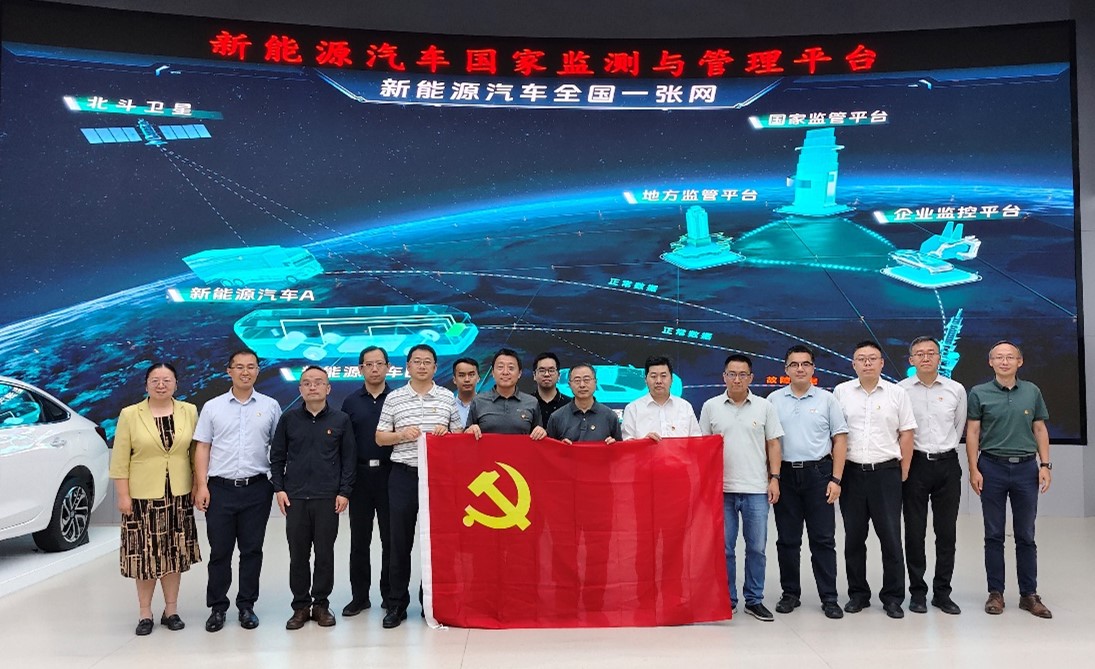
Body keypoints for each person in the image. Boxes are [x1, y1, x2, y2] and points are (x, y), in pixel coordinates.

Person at [193, 348, 282, 632]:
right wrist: (201, 485)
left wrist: (277, 483)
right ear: (229, 371)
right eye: (239, 367)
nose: (246, 372)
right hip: (219, 489)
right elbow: (202, 447)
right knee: (220, 551)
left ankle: (246, 606)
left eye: (251, 366)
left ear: (258, 370)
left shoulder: (270, 406)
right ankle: (218, 608)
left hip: (257, 488)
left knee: (252, 550)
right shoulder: (213, 407)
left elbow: (279, 448)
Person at [109, 362, 201, 636]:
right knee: (144, 557)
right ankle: (145, 613)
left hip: (178, 496)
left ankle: (171, 610)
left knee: (174, 554)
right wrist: (123, 495)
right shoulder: (130, 414)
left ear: (176, 384)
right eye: (155, 380)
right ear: (146, 384)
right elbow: (120, 459)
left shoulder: (189, 411)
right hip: (142, 499)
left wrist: (198, 485)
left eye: (167, 380)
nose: (161, 385)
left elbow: (195, 453)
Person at [375, 343, 463, 628]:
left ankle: (432, 602)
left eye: (427, 362)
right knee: (399, 542)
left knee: (435, 542)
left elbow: (459, 435)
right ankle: (396, 604)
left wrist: (447, 434)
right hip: (403, 476)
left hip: (437, 478)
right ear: (408, 366)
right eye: (417, 361)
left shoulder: (447, 397)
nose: (422, 366)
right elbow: (380, 437)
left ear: (436, 367)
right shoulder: (395, 398)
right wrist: (401, 435)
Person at [967, 340, 1053, 618]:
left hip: (1026, 469)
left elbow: (1039, 429)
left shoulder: (1032, 391)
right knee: (993, 534)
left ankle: (1029, 594)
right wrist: (973, 468)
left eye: (1010, 357)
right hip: (991, 467)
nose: (1004, 361)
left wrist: (1045, 465)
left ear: (1020, 361)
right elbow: (972, 432)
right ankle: (996, 593)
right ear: (990, 362)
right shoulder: (978, 393)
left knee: (1026, 534)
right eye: (999, 357)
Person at [833, 340, 916, 619]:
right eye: (861, 358)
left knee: (890, 537)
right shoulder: (841, 392)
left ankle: (892, 597)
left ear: (881, 363)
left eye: (872, 358)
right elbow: (835, 435)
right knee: (854, 538)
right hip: (852, 474)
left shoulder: (897, 393)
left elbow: (907, 433)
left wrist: (903, 470)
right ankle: (858, 594)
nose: (867, 363)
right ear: (853, 364)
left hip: (886, 472)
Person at [699, 354, 783, 621]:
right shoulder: (711, 407)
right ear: (724, 376)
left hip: (756, 488)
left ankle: (754, 599)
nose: (737, 379)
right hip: (721, 489)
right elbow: (702, 447)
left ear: (751, 378)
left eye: (742, 374)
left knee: (756, 548)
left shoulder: (764, 406)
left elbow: (774, 444)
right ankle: (727, 599)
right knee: (724, 549)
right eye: (732, 374)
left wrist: (774, 478)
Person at [271, 366, 356, 630]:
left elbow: (349, 459)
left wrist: (344, 492)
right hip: (295, 498)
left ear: (328, 388)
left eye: (318, 382)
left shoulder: (341, 420)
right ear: (300, 389)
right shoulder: (289, 419)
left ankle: (320, 604)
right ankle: (300, 606)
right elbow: (277, 456)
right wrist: (279, 488)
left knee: (324, 553)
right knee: (298, 554)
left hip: (327, 497)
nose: (312, 387)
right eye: (306, 383)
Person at [767, 345, 848, 620]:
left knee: (823, 539)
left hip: (819, 475)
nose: (800, 369)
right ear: (786, 369)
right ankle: (790, 594)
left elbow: (840, 439)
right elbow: (770, 442)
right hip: (785, 475)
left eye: (805, 364)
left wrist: (836, 478)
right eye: (794, 364)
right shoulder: (773, 400)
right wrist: (773, 477)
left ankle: (829, 597)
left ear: (813, 368)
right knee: (787, 540)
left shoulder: (827, 400)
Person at [898, 336, 966, 615]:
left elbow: (959, 427)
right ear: (911, 360)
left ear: (940, 357)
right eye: (919, 354)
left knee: (946, 532)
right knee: (914, 532)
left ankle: (942, 593)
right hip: (914, 465)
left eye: (931, 353)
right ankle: (917, 593)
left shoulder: (956, 389)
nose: (925, 358)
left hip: (947, 465)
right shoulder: (900, 390)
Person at [340, 346, 394, 618]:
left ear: (388, 367)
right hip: (360, 477)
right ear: (360, 368)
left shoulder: (397, 399)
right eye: (368, 364)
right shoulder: (350, 402)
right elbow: (344, 445)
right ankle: (359, 597)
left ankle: (390, 595)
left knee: (391, 540)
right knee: (359, 541)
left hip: (390, 476)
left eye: (379, 363)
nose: (374, 369)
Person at [465, 348, 547, 440]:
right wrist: (469, 431)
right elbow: (466, 438)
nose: (505, 372)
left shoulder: (532, 402)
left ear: (519, 373)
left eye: (511, 368)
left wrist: (541, 432)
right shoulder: (478, 401)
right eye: (500, 367)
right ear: (493, 372)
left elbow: (538, 438)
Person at [621, 355, 701, 440]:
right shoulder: (633, 409)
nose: (658, 381)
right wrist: (643, 443)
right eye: (653, 376)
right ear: (645, 380)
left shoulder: (685, 407)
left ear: (672, 379)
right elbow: (627, 443)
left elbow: (696, 441)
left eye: (663, 376)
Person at [546, 363, 621, 444]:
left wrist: (613, 445)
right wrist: (561, 447)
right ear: (570, 385)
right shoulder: (556, 417)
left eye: (586, 380)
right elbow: (549, 449)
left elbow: (620, 449)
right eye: (577, 380)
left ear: (595, 382)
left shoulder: (610, 416)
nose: (582, 385)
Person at [532, 352, 569, 424]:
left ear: (559, 376)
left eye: (551, 370)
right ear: (534, 375)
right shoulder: (526, 403)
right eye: (542, 370)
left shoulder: (570, 405)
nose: (547, 374)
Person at [451, 357, 480, 426]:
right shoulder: (448, 407)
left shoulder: (486, 406)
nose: (467, 379)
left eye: (471, 375)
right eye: (461, 375)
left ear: (478, 378)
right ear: (454, 380)